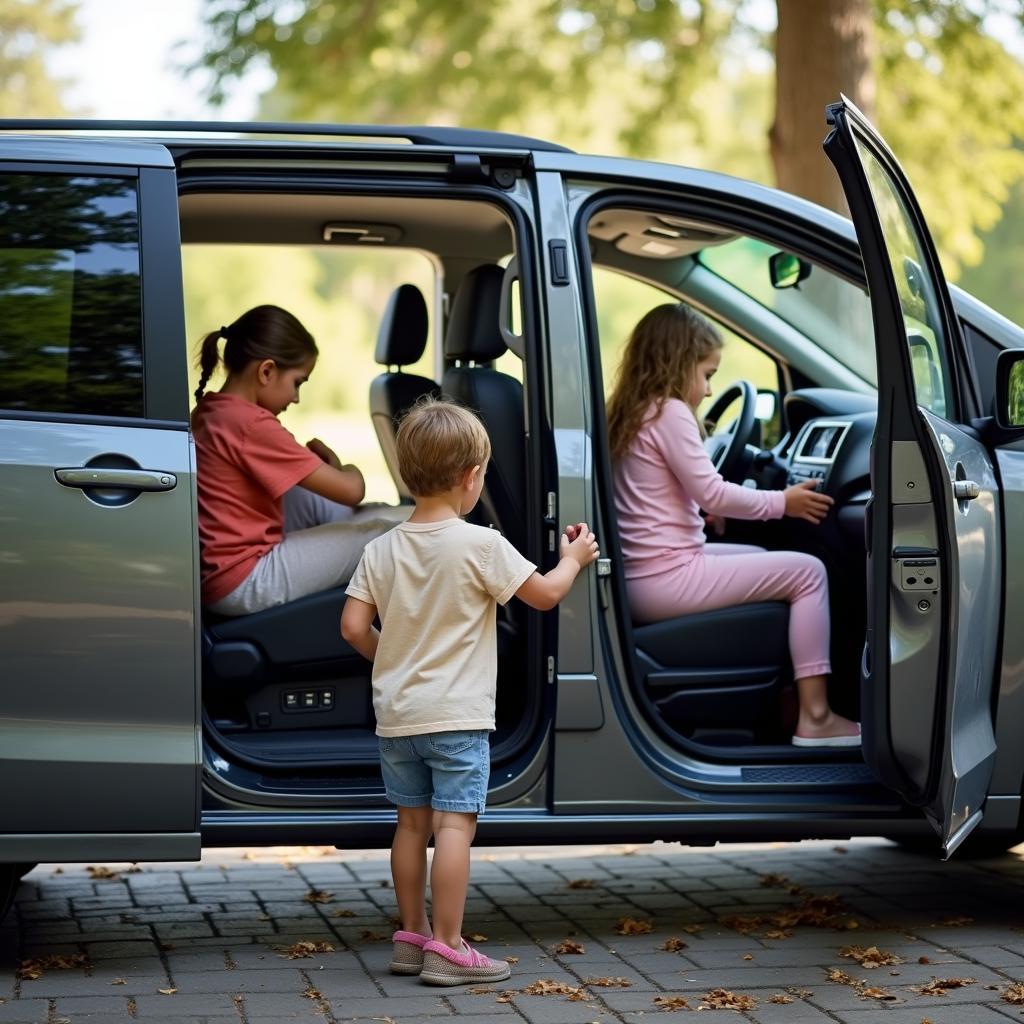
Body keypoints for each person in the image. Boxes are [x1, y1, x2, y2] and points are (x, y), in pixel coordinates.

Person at [341, 397, 599, 985]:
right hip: (456, 719)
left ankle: (411, 937)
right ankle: (450, 946)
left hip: (399, 718)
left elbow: (354, 627)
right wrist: (575, 558)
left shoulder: (380, 549)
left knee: (410, 826)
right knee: (453, 827)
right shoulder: (481, 544)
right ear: (472, 477)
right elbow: (543, 596)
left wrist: (395, 662)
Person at [606, 303, 859, 748]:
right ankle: (815, 717)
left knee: (765, 559)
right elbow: (715, 492)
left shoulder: (632, 411)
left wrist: (698, 506)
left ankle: (785, 698)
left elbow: (659, 492)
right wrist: (785, 501)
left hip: (643, 575)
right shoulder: (671, 412)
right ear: (677, 363)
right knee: (807, 572)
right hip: (666, 576)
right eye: (706, 374)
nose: (707, 390)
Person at [192, 304, 407, 616]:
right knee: (383, 536)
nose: (296, 398)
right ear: (266, 371)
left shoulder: (212, 410)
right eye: (298, 382)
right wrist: (340, 464)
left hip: (222, 572)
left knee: (316, 499)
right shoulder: (251, 424)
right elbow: (352, 490)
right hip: (245, 578)